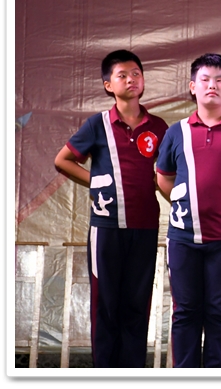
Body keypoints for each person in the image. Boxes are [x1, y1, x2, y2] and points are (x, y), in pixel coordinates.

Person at [54, 50, 168, 368]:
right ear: (108, 85)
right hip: (105, 228)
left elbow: (167, 173)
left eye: (136, 74)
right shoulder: (98, 124)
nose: (131, 80)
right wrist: (95, 181)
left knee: (137, 303)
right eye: (122, 75)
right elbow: (62, 160)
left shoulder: (159, 127)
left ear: (143, 80)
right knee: (106, 304)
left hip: (145, 226)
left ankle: (132, 373)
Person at [156, 53, 221, 368]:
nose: (212, 85)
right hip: (183, 238)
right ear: (193, 87)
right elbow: (163, 177)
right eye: (205, 80)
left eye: (220, 80)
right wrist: (187, 204)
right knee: (185, 312)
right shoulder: (177, 132)